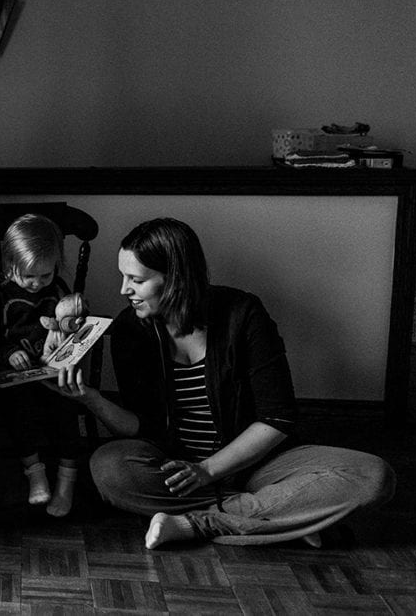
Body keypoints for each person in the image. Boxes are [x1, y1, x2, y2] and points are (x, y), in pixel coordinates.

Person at [49, 217, 395, 548]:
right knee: (107, 467)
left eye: (137, 280)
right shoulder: (131, 329)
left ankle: (200, 524)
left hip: (258, 465)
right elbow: (142, 427)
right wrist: (89, 398)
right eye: (123, 277)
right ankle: (282, 516)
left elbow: (277, 419)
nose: (124, 289)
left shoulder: (243, 315)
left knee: (374, 476)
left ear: (176, 278)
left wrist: (208, 470)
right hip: (176, 469)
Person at [0, 214, 82, 517]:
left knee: (68, 402)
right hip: (11, 374)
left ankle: (67, 480)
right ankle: (34, 471)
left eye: (45, 276)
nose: (37, 285)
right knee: (16, 405)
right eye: (28, 277)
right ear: (10, 266)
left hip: (49, 370)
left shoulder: (57, 288)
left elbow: (68, 322)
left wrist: (74, 332)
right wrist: (8, 352)